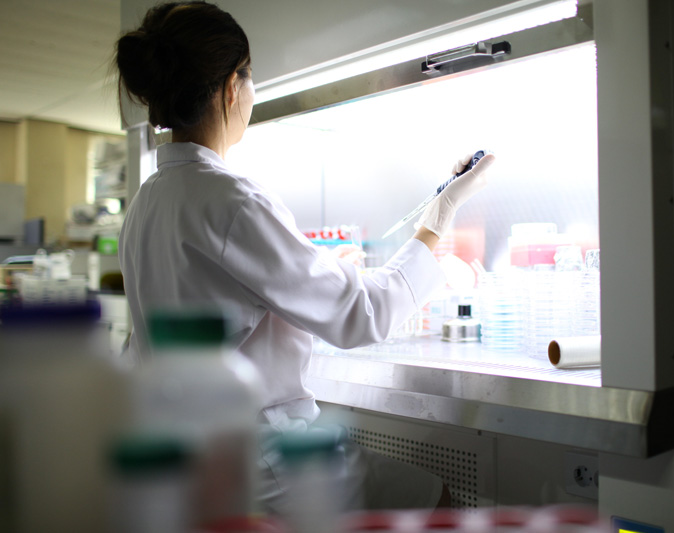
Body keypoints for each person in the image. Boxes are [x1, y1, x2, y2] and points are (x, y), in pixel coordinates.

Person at [114, 0, 495, 516]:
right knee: (436, 501)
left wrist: (322, 268)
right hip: (265, 460)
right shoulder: (231, 198)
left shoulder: (148, 200)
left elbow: (215, 306)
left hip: (191, 460)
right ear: (232, 87)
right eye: (250, 80)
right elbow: (362, 316)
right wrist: (439, 222)